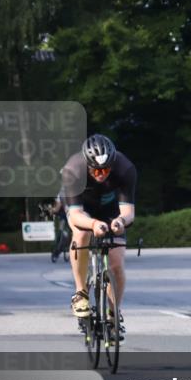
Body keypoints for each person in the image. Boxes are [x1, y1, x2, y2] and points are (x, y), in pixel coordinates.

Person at [61, 135, 137, 339]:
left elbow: (128, 212)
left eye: (105, 170)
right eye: (96, 170)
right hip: (83, 209)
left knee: (116, 263)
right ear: (87, 166)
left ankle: (114, 313)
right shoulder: (73, 170)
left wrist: (120, 222)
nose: (101, 174)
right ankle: (80, 293)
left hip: (111, 210)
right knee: (82, 232)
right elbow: (76, 215)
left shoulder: (125, 169)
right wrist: (94, 224)